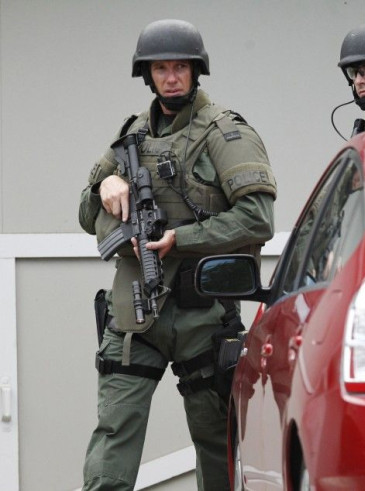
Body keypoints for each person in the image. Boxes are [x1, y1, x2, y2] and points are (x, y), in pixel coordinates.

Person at [78, 19, 277, 490]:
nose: (171, 77)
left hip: (202, 315)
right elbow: (87, 213)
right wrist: (106, 191)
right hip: (134, 318)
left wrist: (181, 241)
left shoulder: (225, 133)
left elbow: (258, 218)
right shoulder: (131, 138)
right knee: (113, 440)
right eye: (161, 68)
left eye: (180, 68)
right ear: (148, 75)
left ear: (196, 71)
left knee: (218, 445)